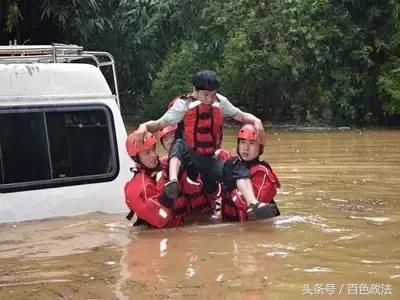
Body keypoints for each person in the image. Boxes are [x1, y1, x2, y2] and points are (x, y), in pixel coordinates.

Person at [131, 69, 265, 213]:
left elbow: (241, 116)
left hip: (208, 160)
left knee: (237, 167)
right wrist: (143, 126)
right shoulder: (183, 104)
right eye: (205, 95)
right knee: (179, 143)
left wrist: (256, 120)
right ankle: (173, 180)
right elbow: (158, 124)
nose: (209, 99)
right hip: (186, 158)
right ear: (195, 91)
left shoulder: (220, 102)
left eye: (213, 94)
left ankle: (253, 204)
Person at [216, 124, 281, 221]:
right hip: (232, 224)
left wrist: (232, 187)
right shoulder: (233, 163)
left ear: (260, 147)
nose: (246, 148)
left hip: (253, 227)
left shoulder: (262, 173)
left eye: (251, 143)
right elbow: (222, 154)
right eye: (242, 142)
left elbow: (251, 211)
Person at [124, 132, 188, 228]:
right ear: (136, 158)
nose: (154, 155)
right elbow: (160, 220)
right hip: (160, 236)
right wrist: (166, 196)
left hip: (182, 225)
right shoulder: (136, 189)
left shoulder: (162, 166)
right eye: (147, 153)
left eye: (153, 149)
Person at [158, 125, 213, 216]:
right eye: (165, 139)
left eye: (173, 136)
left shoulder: (194, 158)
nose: (170, 141)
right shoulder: (162, 165)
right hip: (184, 220)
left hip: (205, 214)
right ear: (163, 144)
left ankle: (173, 178)